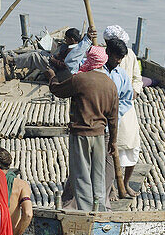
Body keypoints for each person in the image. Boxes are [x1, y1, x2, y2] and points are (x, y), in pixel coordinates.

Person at [48, 48, 118, 211]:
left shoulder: (80, 79)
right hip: (100, 135)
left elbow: (57, 90)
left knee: (81, 174)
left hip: (80, 134)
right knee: (98, 174)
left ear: (90, 61)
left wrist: (52, 77)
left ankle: (87, 211)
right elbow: (113, 118)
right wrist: (113, 141)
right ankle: (99, 207)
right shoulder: (110, 84)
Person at [103, 38, 142, 197]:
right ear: (108, 53)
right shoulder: (99, 72)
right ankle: (109, 189)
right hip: (101, 120)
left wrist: (115, 112)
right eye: (116, 57)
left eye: (120, 58)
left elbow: (127, 97)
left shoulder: (121, 74)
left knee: (131, 145)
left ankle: (124, 184)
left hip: (120, 115)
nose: (118, 61)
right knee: (106, 158)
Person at [5, 26, 94, 78]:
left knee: (35, 56)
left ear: (72, 39)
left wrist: (53, 60)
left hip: (59, 71)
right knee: (39, 51)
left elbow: (64, 65)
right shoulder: (76, 46)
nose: (65, 39)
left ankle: (12, 60)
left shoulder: (72, 51)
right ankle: (17, 60)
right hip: (56, 63)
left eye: (66, 38)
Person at [103, 25, 145, 94]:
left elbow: (137, 78)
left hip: (126, 98)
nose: (119, 61)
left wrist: (135, 91)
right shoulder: (102, 55)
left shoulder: (130, 54)